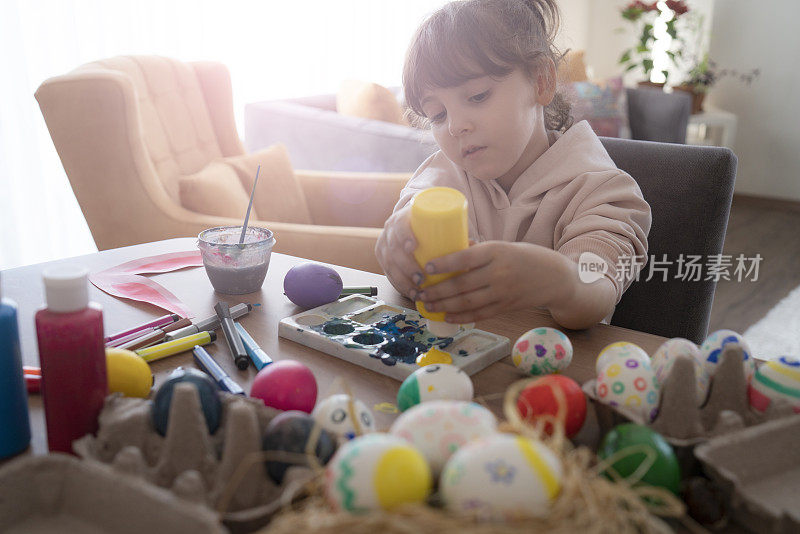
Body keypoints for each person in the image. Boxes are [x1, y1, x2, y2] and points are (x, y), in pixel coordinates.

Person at [375, 0, 652, 330]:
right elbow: (413, 256)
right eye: (438, 114)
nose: (455, 126)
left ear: (542, 82)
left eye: (477, 96)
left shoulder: (601, 190)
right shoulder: (441, 175)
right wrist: (401, 248)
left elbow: (597, 288)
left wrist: (559, 280)